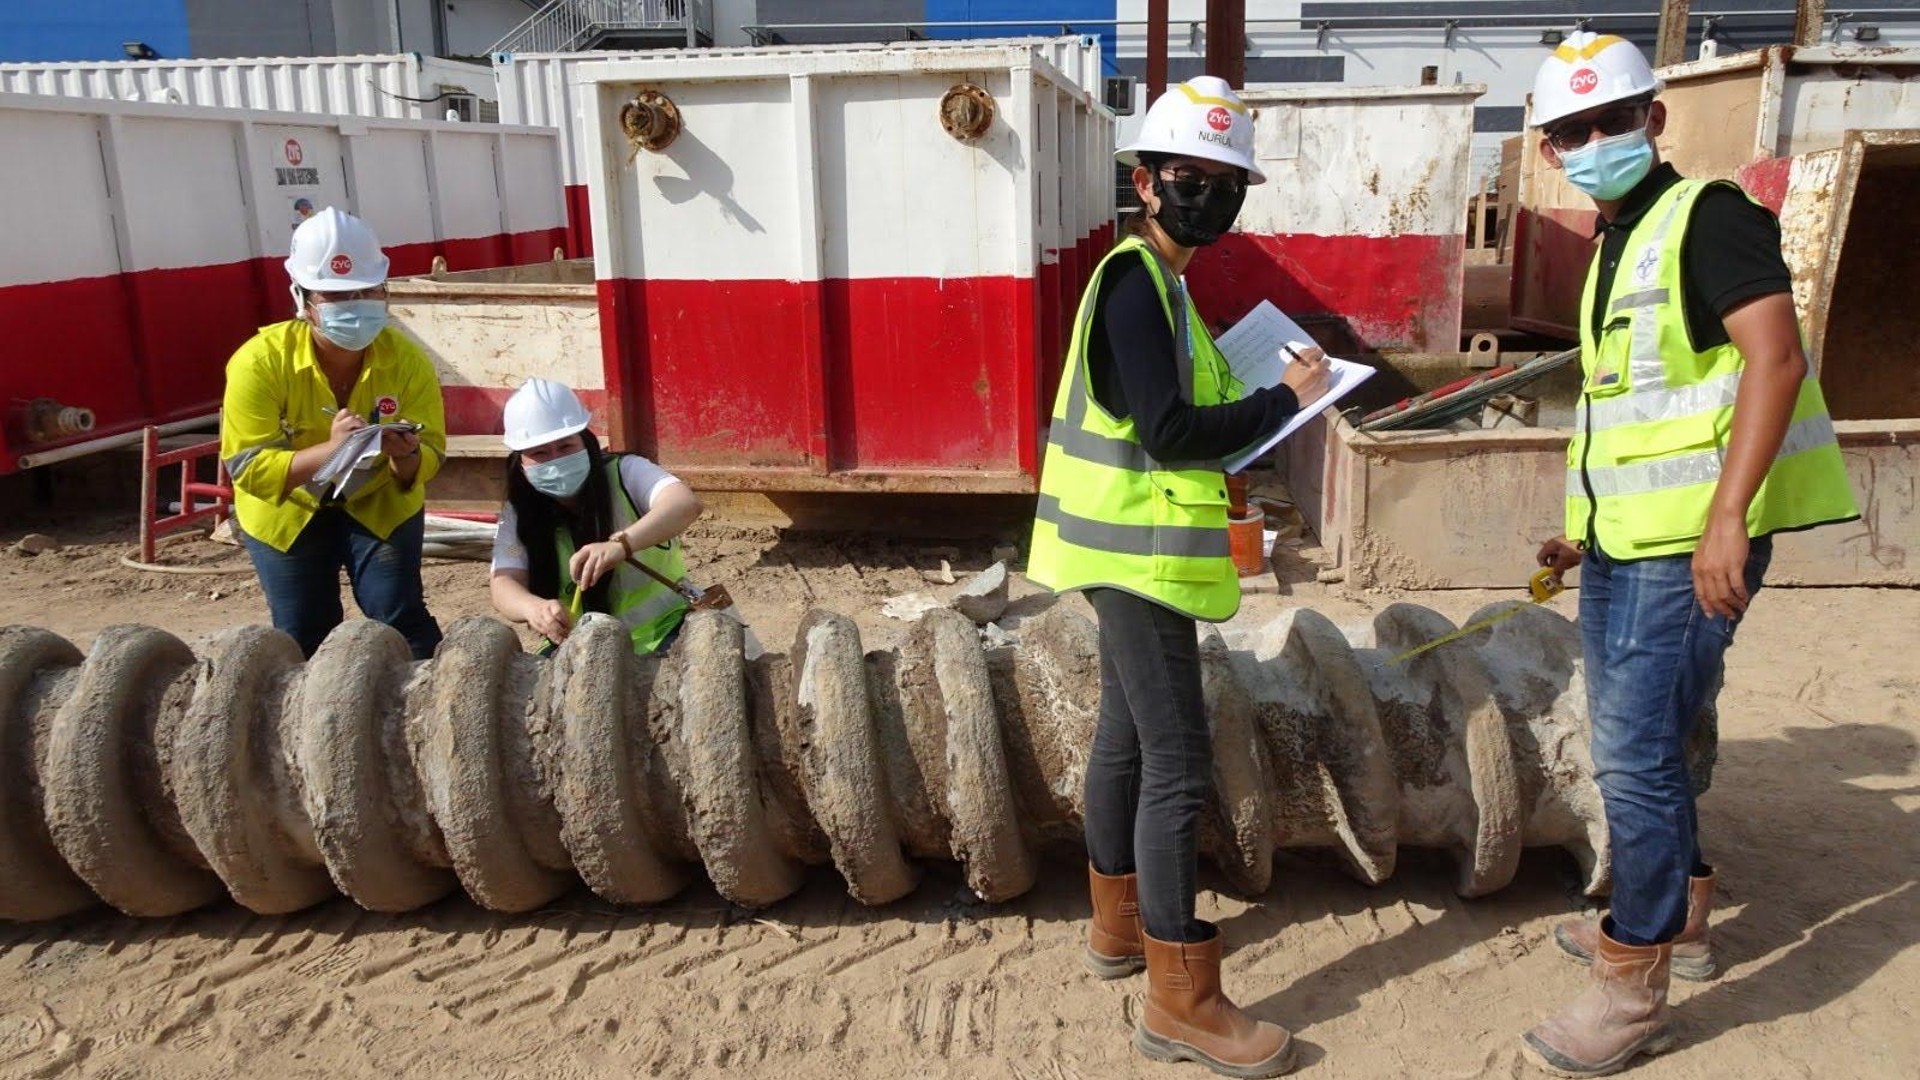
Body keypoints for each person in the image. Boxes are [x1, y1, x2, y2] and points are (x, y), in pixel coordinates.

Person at [1519, 34, 1859, 1078]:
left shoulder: (1707, 219)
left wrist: (1727, 519)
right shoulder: (1617, 241)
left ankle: (1633, 983)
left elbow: (1776, 357)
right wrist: (1581, 529)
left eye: (1607, 122)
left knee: (1630, 752)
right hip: (1628, 540)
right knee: (1667, 732)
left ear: (1652, 120)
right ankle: (1688, 916)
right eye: (1566, 132)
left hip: (1691, 545)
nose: (1588, 144)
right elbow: (1630, 410)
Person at [1025, 76, 1332, 1080]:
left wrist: (1258, 398)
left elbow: (1172, 415)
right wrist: (1281, 402)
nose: (1205, 191)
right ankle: (1182, 1002)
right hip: (1137, 558)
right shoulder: (1132, 283)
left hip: (1126, 552)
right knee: (1177, 763)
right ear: (1144, 181)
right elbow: (1166, 433)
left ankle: (1119, 931)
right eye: (1186, 175)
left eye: (1223, 179)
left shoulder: (1165, 287)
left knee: (1124, 741)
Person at [222, 207, 445, 660]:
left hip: (379, 501)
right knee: (304, 630)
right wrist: (332, 449)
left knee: (400, 618)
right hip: (288, 510)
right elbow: (248, 468)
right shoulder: (259, 362)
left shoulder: (407, 360)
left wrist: (405, 456)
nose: (356, 305)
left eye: (367, 292)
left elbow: (433, 449)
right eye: (337, 296)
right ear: (302, 299)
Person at [488, 378, 704, 656]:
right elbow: (503, 583)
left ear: (586, 442)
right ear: (521, 462)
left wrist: (621, 545)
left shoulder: (627, 472)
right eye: (539, 453)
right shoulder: (519, 511)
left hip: (665, 630)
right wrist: (532, 608)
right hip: (578, 648)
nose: (555, 460)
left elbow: (684, 504)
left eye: (565, 447)